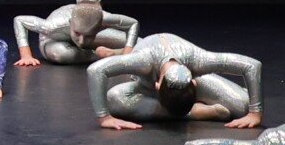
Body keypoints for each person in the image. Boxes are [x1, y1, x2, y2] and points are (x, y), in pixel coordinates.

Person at [88, 34, 263, 130]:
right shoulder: (143, 61)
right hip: (144, 87)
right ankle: (194, 112)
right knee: (114, 98)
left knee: (243, 106)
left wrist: (255, 112)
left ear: (194, 82)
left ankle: (180, 112)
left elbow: (252, 66)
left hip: (179, 86)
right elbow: (95, 70)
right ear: (157, 87)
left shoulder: (198, 60)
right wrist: (104, 117)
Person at [13, 0, 138, 67]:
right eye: (77, 33)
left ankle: (114, 52)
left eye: (88, 35)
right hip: (54, 40)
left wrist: (127, 53)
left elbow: (133, 24)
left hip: (94, 33)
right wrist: (26, 55)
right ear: (70, 23)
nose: (82, 41)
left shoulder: (103, 18)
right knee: (60, 54)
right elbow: (20, 20)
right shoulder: (53, 25)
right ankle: (100, 55)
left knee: (139, 43)